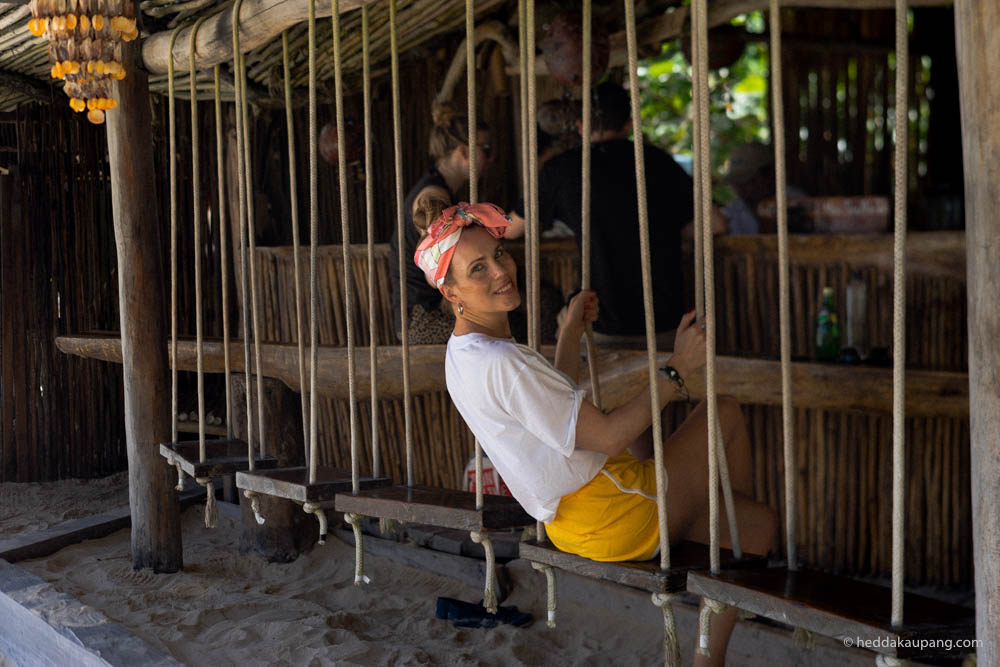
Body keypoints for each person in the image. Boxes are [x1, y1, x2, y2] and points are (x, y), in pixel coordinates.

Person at [416, 200, 778, 667]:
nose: (500, 273)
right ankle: (726, 581)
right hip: (613, 513)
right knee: (723, 413)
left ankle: (728, 557)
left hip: (572, 525)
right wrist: (677, 369)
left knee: (755, 523)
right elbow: (606, 438)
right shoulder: (505, 362)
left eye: (499, 256)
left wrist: (568, 333)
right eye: (477, 269)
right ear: (452, 292)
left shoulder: (464, 353)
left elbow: (555, 415)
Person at [510, 82, 726, 349]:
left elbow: (512, 230)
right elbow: (715, 224)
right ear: (629, 125)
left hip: (597, 326)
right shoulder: (659, 162)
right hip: (665, 326)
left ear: (580, 125)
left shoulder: (560, 170)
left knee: (561, 341)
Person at [388, 104, 505, 344]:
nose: (490, 158)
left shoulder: (440, 188)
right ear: (463, 151)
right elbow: (435, 259)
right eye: (486, 149)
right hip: (424, 320)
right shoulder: (433, 195)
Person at [722, 141, 807, 234]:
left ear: (769, 175)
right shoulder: (733, 211)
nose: (740, 188)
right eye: (736, 182)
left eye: (748, 181)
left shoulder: (798, 203)